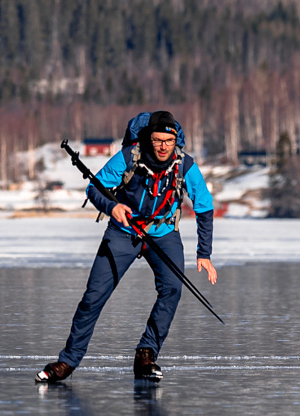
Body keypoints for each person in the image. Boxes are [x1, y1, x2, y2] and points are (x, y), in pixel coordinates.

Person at [37, 110, 216, 383]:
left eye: (168, 141)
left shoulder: (185, 165)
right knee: (93, 297)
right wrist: (113, 206)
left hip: (163, 233)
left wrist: (204, 253)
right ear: (148, 139)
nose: (163, 146)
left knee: (172, 288)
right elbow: (94, 189)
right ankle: (67, 362)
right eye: (157, 140)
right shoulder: (129, 156)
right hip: (123, 231)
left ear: (176, 140)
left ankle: (147, 353)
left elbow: (204, 206)